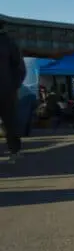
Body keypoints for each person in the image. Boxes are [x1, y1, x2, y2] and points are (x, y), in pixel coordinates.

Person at [0, 20, 26, 163]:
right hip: (7, 88)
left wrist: (13, 85)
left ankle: (14, 151)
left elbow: (19, 67)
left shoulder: (7, 42)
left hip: (5, 89)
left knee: (9, 122)